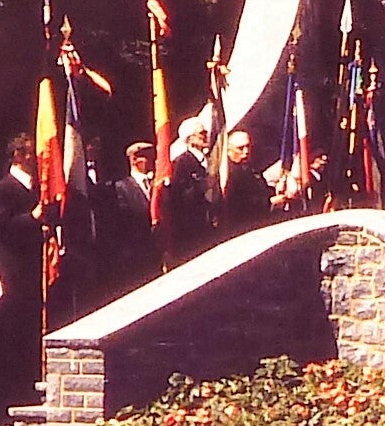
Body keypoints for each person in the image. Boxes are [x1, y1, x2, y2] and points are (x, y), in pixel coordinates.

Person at [0, 133, 47, 391]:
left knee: (36, 321)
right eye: (31, 154)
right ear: (19, 156)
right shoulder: (3, 189)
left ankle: (35, 374)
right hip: (16, 267)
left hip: (39, 264)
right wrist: (32, 218)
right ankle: (17, 383)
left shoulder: (40, 186)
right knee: (18, 323)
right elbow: (2, 227)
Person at [104, 141, 161, 295]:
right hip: (138, 253)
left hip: (159, 250)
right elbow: (124, 220)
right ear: (134, 159)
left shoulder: (159, 182)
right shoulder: (121, 188)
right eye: (146, 156)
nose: (151, 159)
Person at [167, 115, 215, 257]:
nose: (206, 135)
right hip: (193, 227)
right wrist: (203, 186)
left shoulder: (209, 160)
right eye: (202, 133)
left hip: (210, 225)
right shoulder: (182, 163)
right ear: (189, 139)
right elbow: (179, 196)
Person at [218, 130, 274, 236]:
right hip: (240, 228)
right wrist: (270, 201)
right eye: (240, 148)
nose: (246, 151)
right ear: (229, 149)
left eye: (248, 146)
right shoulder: (227, 174)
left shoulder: (249, 167)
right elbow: (240, 202)